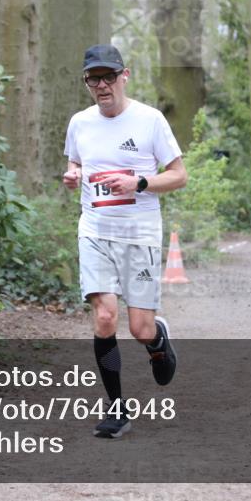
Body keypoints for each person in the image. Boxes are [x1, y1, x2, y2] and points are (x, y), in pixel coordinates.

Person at [62, 44, 188, 439]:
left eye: (108, 77)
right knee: (104, 318)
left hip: (140, 234)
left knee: (139, 327)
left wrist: (140, 182)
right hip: (95, 229)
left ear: (125, 76)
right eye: (93, 79)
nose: (102, 86)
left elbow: (179, 175)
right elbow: (76, 162)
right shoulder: (80, 123)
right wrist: (72, 175)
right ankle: (117, 407)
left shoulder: (150, 120)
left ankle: (157, 342)